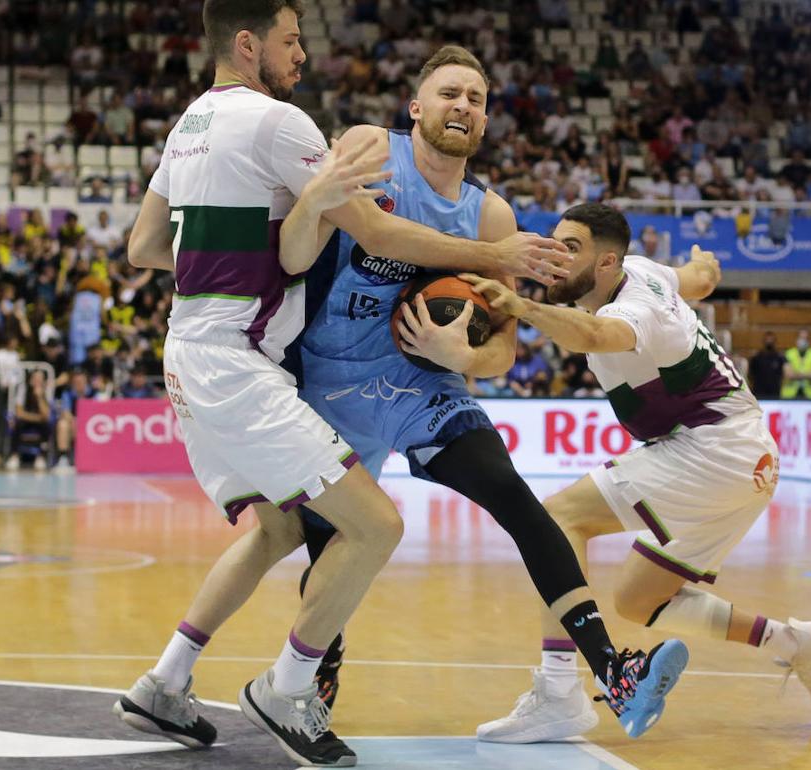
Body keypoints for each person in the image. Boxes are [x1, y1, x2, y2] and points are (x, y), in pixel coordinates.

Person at [112, 5, 572, 767]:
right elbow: (382, 236)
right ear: (250, 43)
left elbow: (145, 247)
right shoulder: (280, 123)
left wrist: (241, 257)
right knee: (376, 527)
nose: (303, 54)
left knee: (279, 530)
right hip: (237, 363)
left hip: (186, 352)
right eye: (292, 41)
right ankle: (287, 688)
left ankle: (164, 683)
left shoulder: (187, 124)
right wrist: (497, 257)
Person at [283, 44, 687, 741]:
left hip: (421, 384)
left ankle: (615, 672)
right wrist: (491, 259)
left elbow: (503, 348)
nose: (462, 105)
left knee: (517, 499)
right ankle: (317, 680)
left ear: (488, 116)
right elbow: (378, 231)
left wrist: (461, 352)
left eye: (475, 97)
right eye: (448, 93)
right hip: (330, 379)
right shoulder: (372, 151)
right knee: (331, 547)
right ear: (417, 107)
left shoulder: (491, 213)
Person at [464, 203, 811, 742]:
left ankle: (558, 692)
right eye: (554, 242)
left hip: (714, 448)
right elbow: (699, 279)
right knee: (639, 600)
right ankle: (797, 644)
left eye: (570, 247)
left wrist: (520, 307)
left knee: (559, 520)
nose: (553, 255)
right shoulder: (642, 269)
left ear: (605, 262)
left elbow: (594, 337)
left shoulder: (635, 307)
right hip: (746, 458)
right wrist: (704, 266)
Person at [782, 328, 811, 399]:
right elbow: (788, 374)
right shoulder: (789, 354)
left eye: (805, 338)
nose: (803, 341)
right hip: (790, 395)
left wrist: (797, 374)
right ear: (796, 339)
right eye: (801, 338)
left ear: (809, 340)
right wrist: (807, 374)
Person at [748, 331, 785, 399]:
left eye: (771, 340)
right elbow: (750, 376)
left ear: (775, 342)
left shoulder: (779, 358)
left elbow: (782, 376)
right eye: (767, 340)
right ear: (764, 341)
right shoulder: (756, 358)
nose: (769, 342)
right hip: (759, 393)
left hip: (775, 393)